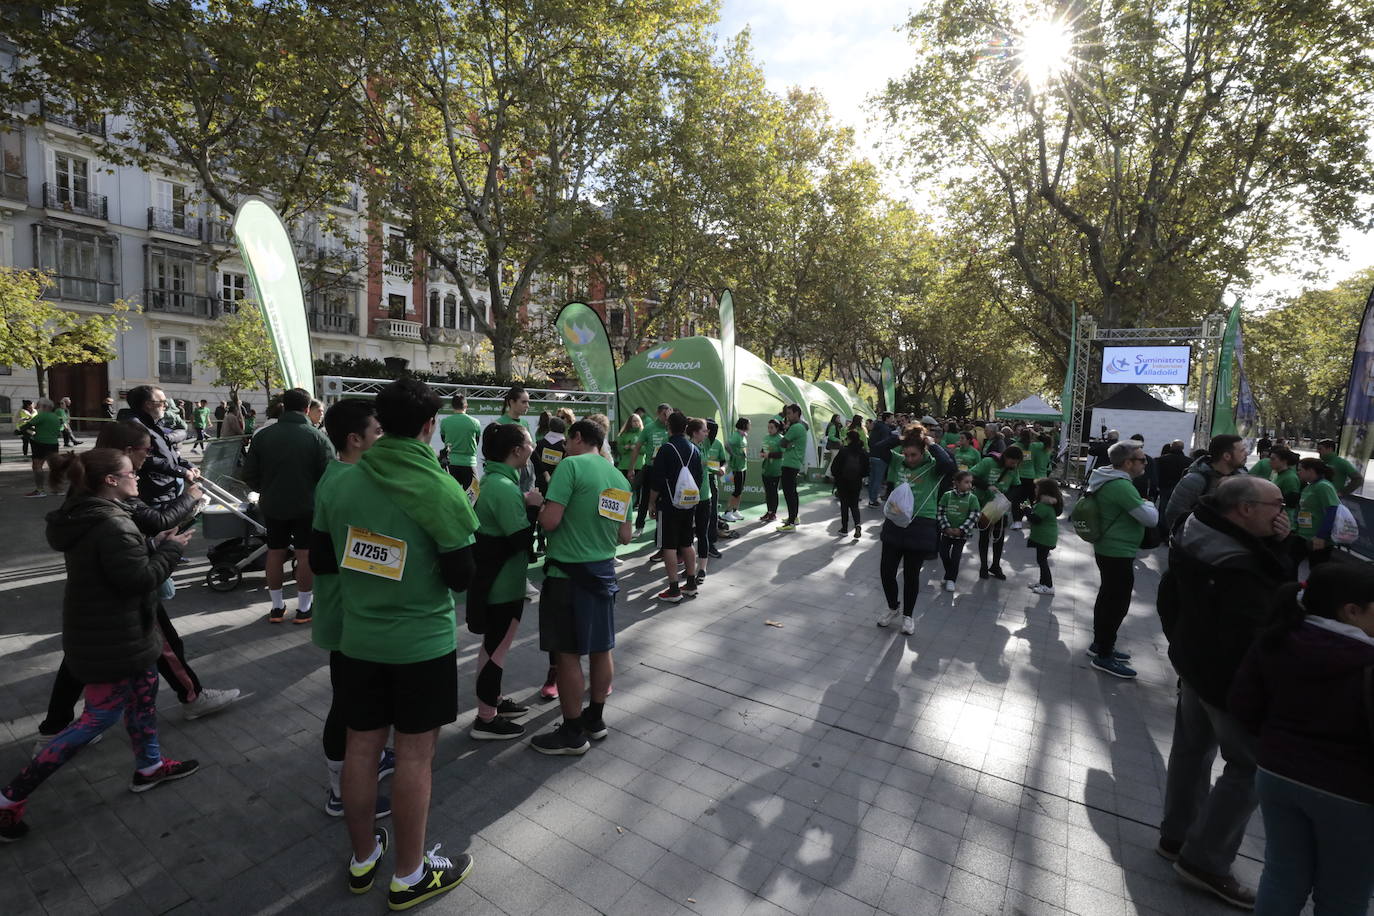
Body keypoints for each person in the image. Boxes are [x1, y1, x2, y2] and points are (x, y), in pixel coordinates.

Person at [312, 377, 477, 908]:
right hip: (421, 644)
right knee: (413, 757)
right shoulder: (440, 488)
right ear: (430, 427)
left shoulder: (339, 482)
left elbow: (321, 558)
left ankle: (363, 859)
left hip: (358, 639)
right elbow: (460, 577)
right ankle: (409, 875)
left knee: (361, 746)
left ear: (380, 423)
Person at [0, 449, 198, 843]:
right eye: (130, 473)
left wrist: (155, 542)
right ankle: (9, 800)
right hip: (112, 636)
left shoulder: (93, 513)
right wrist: (172, 550)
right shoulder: (111, 524)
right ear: (111, 480)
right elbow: (138, 579)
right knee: (99, 718)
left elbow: (117, 565)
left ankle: (149, 766)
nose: (136, 478)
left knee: (144, 697)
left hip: (123, 630)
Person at [33, 421, 239, 742]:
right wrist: (169, 544)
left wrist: (155, 543)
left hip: (96, 594)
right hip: (120, 598)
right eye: (144, 455)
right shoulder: (112, 513)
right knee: (159, 647)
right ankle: (187, 700)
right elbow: (141, 573)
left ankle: (63, 729)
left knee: (84, 660)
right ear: (114, 477)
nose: (141, 473)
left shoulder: (94, 488)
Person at [1154, 476, 1293, 910]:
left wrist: (1179, 646)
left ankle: (1177, 836)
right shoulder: (1238, 564)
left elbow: (1167, 597)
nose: (1283, 512)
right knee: (1250, 768)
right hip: (1229, 680)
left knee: (1191, 750)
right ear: (1245, 509)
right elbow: (1267, 616)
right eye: (1277, 504)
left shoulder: (1195, 529)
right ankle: (1206, 860)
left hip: (1194, 662)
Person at [1229, 563, 1374, 915]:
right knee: (1344, 896)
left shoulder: (1278, 636)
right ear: (1351, 612)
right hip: (1352, 794)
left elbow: (1243, 705)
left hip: (1277, 775)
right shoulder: (1365, 660)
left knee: (1282, 877)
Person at [309, 400, 394, 818]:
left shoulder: (349, 475)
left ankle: (371, 763)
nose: (385, 439)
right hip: (347, 616)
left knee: (360, 698)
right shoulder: (344, 482)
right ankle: (339, 789)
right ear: (354, 440)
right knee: (347, 703)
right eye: (378, 432)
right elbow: (324, 557)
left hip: (354, 613)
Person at [530, 419, 634, 755]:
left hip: (567, 576)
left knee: (567, 654)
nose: (564, 447)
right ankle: (595, 719)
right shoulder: (617, 476)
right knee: (602, 648)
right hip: (603, 574)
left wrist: (536, 504)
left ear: (577, 438)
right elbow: (625, 535)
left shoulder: (570, 466)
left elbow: (550, 521)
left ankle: (573, 732)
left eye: (567, 441)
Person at [467, 422, 543, 741]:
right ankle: (486, 718)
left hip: (495, 582)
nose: (533, 447)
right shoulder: (502, 487)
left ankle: (493, 701)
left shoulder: (493, 480)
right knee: (496, 649)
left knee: (493, 647)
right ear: (516, 451)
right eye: (529, 442)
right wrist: (535, 509)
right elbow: (520, 540)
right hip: (502, 586)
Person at [241, 387, 333, 624]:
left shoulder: (263, 435)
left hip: (272, 503)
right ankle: (303, 608)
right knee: (304, 554)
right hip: (307, 505)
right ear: (306, 408)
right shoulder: (317, 437)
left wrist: (267, 489)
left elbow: (249, 473)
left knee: (275, 551)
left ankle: (276, 607)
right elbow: (329, 475)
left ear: (283, 405)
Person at [1085, 440, 1159, 678]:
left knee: (1108, 598)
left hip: (1111, 547)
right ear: (1127, 463)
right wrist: (1148, 504)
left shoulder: (1109, 478)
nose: (1145, 463)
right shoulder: (1121, 486)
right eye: (1142, 459)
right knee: (1116, 604)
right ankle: (1104, 654)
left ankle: (1101, 645)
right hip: (1117, 550)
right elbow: (1150, 519)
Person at [877, 432, 955, 634]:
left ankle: (908, 616)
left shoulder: (932, 466)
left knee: (911, 575)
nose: (909, 459)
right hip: (895, 521)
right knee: (887, 570)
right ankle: (893, 606)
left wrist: (932, 443)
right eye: (907, 454)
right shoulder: (898, 462)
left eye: (914, 455)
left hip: (921, 524)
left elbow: (949, 465)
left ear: (924, 452)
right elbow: (878, 449)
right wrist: (898, 437)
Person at [649, 411, 702, 603]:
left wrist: (651, 502)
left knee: (669, 546)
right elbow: (699, 478)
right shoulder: (695, 449)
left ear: (668, 427)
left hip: (669, 505)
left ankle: (673, 589)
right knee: (687, 543)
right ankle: (690, 582)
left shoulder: (666, 449)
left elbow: (657, 480)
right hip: (689, 504)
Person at [1165, 434, 1248, 532]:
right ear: (1226, 456)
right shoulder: (1195, 480)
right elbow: (1174, 514)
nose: (1246, 453)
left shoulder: (1243, 476)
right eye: (1242, 451)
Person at [970, 446, 1023, 580]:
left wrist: (1007, 498)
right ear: (1005, 457)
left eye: (1016, 462)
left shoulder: (1014, 468)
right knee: (984, 535)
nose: (1014, 465)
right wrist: (987, 486)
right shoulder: (988, 462)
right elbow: (971, 476)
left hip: (1000, 506)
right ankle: (983, 566)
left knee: (999, 537)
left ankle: (995, 566)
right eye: (1012, 462)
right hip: (985, 505)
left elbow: (1017, 486)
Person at [630, 403, 673, 536]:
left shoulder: (672, 428)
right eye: (664, 414)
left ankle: (661, 530)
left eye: (669, 414)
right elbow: (637, 448)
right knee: (645, 499)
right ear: (658, 414)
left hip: (667, 470)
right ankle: (639, 526)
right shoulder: (649, 428)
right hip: (651, 468)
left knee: (665, 500)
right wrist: (631, 468)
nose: (666, 417)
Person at [937, 470, 979, 591]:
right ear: (956, 483)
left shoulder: (972, 498)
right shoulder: (947, 495)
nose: (970, 485)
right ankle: (949, 573)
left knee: (956, 557)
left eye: (971, 482)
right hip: (946, 533)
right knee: (943, 553)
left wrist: (961, 530)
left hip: (961, 535)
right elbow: (940, 511)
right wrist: (946, 527)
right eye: (966, 482)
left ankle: (951, 579)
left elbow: (974, 515)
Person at [1294, 457, 1340, 568]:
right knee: (1291, 563)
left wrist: (1321, 536)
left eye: (1300, 470)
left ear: (1310, 471)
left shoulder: (1324, 486)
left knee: (1316, 571)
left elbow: (1332, 511)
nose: (1298, 473)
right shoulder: (1309, 487)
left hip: (1317, 538)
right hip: (1303, 535)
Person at [1024, 478, 1064, 596]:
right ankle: (1043, 583)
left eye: (1037, 488)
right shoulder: (1045, 504)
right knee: (1041, 560)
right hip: (1045, 537)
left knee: (1042, 561)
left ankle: (1049, 586)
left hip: (1045, 538)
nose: (1035, 490)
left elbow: (1035, 519)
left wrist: (1026, 510)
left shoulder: (1043, 506)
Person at [18, 398, 63, 497]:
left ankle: (40, 490)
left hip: (40, 443)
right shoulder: (55, 417)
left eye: (38, 405)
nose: (37, 408)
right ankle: (57, 489)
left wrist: (21, 431)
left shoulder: (41, 416)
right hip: (54, 444)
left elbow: (26, 426)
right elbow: (59, 432)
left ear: (45, 406)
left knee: (37, 466)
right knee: (54, 467)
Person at [777, 404, 808, 532]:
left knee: (789, 493)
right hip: (794, 463)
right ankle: (794, 518)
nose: (787, 416)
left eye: (789, 413)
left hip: (790, 463)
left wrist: (788, 442)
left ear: (796, 413)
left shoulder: (795, 427)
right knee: (792, 492)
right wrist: (789, 443)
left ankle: (791, 523)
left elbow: (782, 443)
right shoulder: (799, 427)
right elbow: (786, 443)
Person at [832, 429, 868, 539]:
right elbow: (866, 471)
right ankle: (857, 525)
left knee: (844, 505)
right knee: (854, 505)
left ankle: (844, 529)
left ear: (850, 439)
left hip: (843, 482)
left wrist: (837, 477)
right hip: (856, 482)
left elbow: (834, 467)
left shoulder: (844, 451)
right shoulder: (863, 453)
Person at [1156, 440, 1191, 533]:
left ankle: (1162, 531)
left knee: (1163, 510)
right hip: (1182, 488)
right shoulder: (1189, 461)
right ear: (1182, 448)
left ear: (1171, 447)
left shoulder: (1161, 460)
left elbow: (1157, 475)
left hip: (1165, 488)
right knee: (1179, 510)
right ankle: (1175, 530)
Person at [867, 413, 898, 507]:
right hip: (881, 457)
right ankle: (873, 500)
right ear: (887, 418)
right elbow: (886, 443)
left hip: (872, 455)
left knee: (872, 479)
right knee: (877, 479)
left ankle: (871, 498)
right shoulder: (885, 429)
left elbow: (870, 441)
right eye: (892, 418)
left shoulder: (875, 428)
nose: (893, 419)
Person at [723, 417, 751, 522]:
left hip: (743, 466)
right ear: (744, 425)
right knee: (737, 490)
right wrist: (732, 454)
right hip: (737, 467)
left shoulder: (743, 436)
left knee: (740, 490)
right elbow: (726, 444)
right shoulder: (736, 436)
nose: (750, 426)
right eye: (749, 424)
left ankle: (735, 510)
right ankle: (727, 512)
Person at [1267, 448, 1300, 532]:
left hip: (1285, 522)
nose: (1270, 461)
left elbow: (1291, 502)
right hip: (1276, 519)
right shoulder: (1276, 474)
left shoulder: (1290, 477)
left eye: (1273, 459)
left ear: (1284, 461)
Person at [614, 412, 645, 497]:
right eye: (634, 421)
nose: (636, 423)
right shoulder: (623, 434)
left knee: (637, 488)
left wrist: (636, 448)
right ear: (629, 423)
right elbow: (619, 449)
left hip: (639, 465)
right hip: (625, 465)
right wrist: (625, 447)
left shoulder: (643, 433)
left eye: (637, 421)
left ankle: (637, 504)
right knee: (624, 486)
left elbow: (646, 449)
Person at [759, 419, 783, 523]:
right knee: (768, 492)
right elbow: (764, 449)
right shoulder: (765, 437)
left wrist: (769, 455)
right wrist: (762, 453)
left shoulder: (781, 439)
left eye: (772, 427)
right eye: (768, 427)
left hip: (776, 470)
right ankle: (769, 512)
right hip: (766, 469)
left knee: (774, 492)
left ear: (777, 428)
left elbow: (782, 454)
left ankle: (773, 513)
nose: (769, 429)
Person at [1128, 434, 1158, 502]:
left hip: (1126, 488)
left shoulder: (1124, 458)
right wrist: (1152, 494)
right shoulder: (1148, 459)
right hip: (1142, 491)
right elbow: (1153, 478)